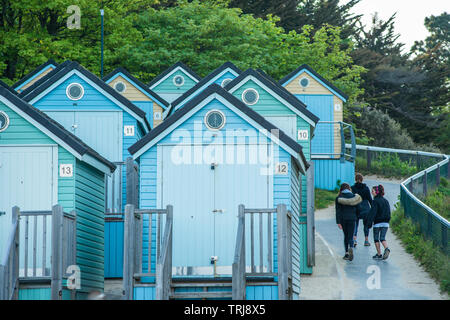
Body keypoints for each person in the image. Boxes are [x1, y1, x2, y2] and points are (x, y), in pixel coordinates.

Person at [335, 183, 362, 261]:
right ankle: (351, 247)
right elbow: (359, 209)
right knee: (351, 235)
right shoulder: (355, 197)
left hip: (343, 219)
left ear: (341, 189)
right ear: (349, 188)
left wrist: (338, 222)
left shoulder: (339, 198)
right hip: (352, 218)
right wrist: (356, 216)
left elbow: (338, 211)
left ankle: (347, 253)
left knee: (346, 235)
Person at [367, 185, 391, 260]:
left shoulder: (375, 201)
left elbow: (372, 213)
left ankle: (379, 254)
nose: (371, 192)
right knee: (382, 238)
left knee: (376, 238)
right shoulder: (386, 201)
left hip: (377, 223)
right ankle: (386, 248)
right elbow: (389, 212)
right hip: (385, 223)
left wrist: (369, 223)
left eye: (373, 191)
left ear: (376, 192)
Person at [351, 173, 373, 247]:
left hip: (356, 208)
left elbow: (351, 199)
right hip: (366, 208)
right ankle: (366, 240)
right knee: (366, 225)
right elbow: (370, 199)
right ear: (362, 179)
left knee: (355, 225)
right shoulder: (366, 188)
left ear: (355, 179)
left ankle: (354, 239)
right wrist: (373, 208)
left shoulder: (353, 188)